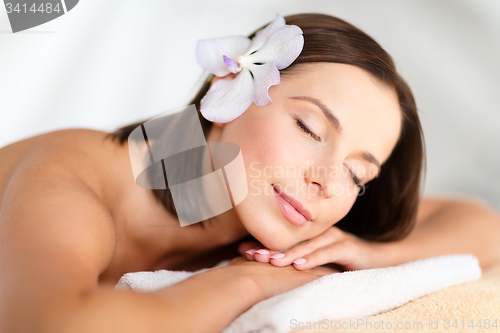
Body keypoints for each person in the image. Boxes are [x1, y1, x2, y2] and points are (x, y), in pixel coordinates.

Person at [0, 13, 499, 333]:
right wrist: (250, 284)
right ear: (230, 87)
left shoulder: (270, 208)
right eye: (308, 127)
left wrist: (372, 252)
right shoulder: (73, 178)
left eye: (357, 174)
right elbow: (48, 324)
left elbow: (483, 224)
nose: (327, 180)